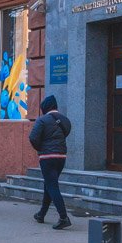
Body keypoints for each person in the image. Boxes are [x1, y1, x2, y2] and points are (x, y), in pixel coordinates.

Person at [30, 94, 73, 230]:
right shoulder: (65, 120)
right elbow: (65, 133)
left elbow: (33, 138)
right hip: (61, 157)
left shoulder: (42, 120)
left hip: (47, 157)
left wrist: (40, 148)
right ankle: (41, 214)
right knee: (49, 184)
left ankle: (63, 217)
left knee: (52, 185)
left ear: (45, 107)